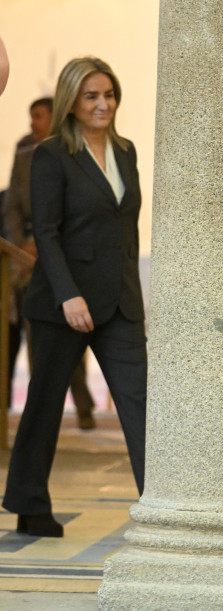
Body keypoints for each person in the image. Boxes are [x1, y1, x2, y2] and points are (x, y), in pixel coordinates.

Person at [2, 57, 146, 538]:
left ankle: (164, 504)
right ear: (73, 102)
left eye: (109, 94)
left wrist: (137, 295)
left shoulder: (126, 151)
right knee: (43, 405)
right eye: (92, 96)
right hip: (63, 303)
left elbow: (126, 230)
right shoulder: (50, 155)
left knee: (141, 403)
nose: (103, 103)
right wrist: (69, 295)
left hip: (121, 303)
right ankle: (29, 503)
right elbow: (46, 230)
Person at [2, 97, 98, 430]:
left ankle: (83, 406)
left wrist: (46, 244)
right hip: (24, 256)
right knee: (36, 333)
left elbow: (74, 205)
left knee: (69, 336)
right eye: (30, 117)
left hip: (62, 251)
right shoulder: (24, 149)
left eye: (38, 117)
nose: (32, 124)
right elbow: (13, 202)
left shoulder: (73, 147)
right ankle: (38, 412)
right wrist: (20, 246)